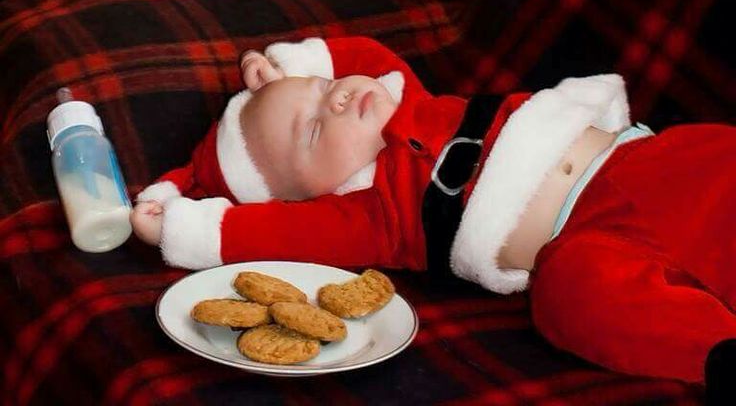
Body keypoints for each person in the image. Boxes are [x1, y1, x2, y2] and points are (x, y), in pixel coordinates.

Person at [131, 35, 736, 397]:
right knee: (574, 297)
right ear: (306, 195)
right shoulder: (366, 217)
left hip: (640, 160)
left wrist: (286, 68)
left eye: (324, 87)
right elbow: (256, 232)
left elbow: (360, 54)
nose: (338, 97)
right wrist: (175, 219)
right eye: (315, 128)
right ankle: (714, 350)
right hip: (586, 241)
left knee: (714, 162)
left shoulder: (405, 94)